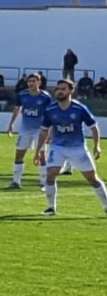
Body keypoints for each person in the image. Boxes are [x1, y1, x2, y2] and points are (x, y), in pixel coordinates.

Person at [34, 79, 106, 216]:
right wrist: (38, 151)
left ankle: (106, 205)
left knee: (92, 178)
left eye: (63, 89)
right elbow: (44, 130)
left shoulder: (79, 109)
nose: (59, 91)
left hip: (78, 148)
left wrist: (97, 146)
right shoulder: (50, 110)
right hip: (58, 147)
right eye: (58, 89)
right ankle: (51, 207)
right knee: (50, 174)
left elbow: (94, 127)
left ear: (71, 91)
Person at [6, 74, 52, 190]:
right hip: (25, 130)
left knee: (42, 156)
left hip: (40, 131)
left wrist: (50, 130)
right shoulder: (22, 95)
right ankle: (16, 182)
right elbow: (17, 109)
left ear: (39, 83)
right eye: (29, 81)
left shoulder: (45, 97)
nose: (31, 83)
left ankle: (44, 183)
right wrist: (11, 124)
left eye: (34, 81)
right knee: (19, 154)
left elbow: (51, 114)